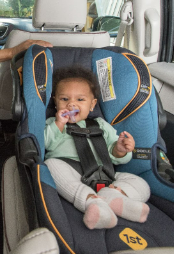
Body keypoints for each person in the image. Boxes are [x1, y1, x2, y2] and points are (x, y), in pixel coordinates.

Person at [44, 66, 150, 230]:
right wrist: (58, 123)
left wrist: (120, 149)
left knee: (140, 183)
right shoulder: (53, 124)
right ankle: (91, 202)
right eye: (64, 99)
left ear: (92, 104)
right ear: (55, 102)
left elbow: (114, 155)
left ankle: (114, 197)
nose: (71, 104)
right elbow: (45, 143)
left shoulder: (100, 125)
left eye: (80, 100)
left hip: (106, 174)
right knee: (50, 166)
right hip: (72, 172)